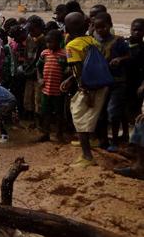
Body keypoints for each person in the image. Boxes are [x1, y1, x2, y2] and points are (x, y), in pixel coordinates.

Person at [60, 12, 109, 168]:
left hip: (89, 87)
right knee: (89, 115)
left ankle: (87, 156)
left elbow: (79, 70)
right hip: (101, 83)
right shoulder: (93, 41)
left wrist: (85, 92)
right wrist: (70, 79)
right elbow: (90, 66)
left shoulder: (72, 46)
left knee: (79, 115)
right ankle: (92, 139)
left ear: (67, 28)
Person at [93, 12, 130, 151]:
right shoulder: (94, 41)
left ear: (110, 26)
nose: (100, 30)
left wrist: (120, 59)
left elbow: (128, 55)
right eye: (97, 28)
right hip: (100, 82)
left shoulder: (118, 41)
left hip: (117, 82)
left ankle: (114, 140)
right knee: (101, 113)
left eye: (103, 27)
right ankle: (103, 140)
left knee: (113, 112)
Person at [36, 29, 68, 142]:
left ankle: (59, 134)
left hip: (59, 91)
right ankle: (46, 134)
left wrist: (67, 80)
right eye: (47, 42)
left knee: (59, 113)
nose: (49, 45)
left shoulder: (64, 54)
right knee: (45, 113)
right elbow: (38, 67)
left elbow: (69, 70)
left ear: (59, 41)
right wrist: (40, 78)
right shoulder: (44, 53)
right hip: (46, 90)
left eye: (52, 42)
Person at [22, 15, 46, 124]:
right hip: (29, 73)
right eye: (29, 30)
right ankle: (31, 121)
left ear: (39, 28)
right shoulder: (29, 39)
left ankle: (39, 123)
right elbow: (27, 55)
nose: (30, 32)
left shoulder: (44, 40)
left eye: (32, 29)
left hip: (39, 75)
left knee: (38, 100)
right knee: (28, 98)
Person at [126, 18, 144, 119]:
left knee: (136, 106)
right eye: (134, 30)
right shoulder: (124, 44)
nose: (136, 32)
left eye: (140, 30)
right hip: (125, 80)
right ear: (130, 30)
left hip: (138, 82)